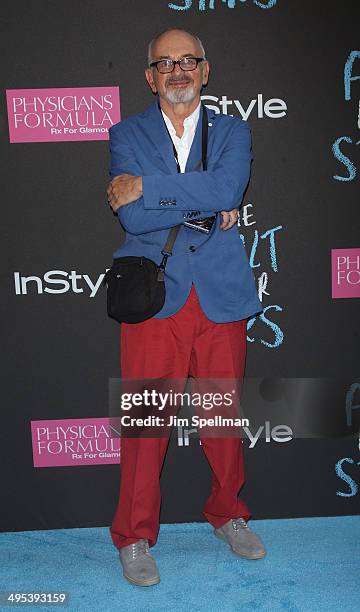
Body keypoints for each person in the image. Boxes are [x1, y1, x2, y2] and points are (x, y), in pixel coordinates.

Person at [106, 28, 266, 587]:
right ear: (150, 77)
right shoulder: (125, 132)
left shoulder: (232, 130)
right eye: (164, 63)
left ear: (205, 70)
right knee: (147, 422)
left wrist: (151, 189)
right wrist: (201, 198)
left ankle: (229, 514)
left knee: (222, 419)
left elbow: (228, 190)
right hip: (155, 298)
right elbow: (132, 218)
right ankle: (133, 536)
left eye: (187, 61)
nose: (177, 71)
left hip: (219, 295)